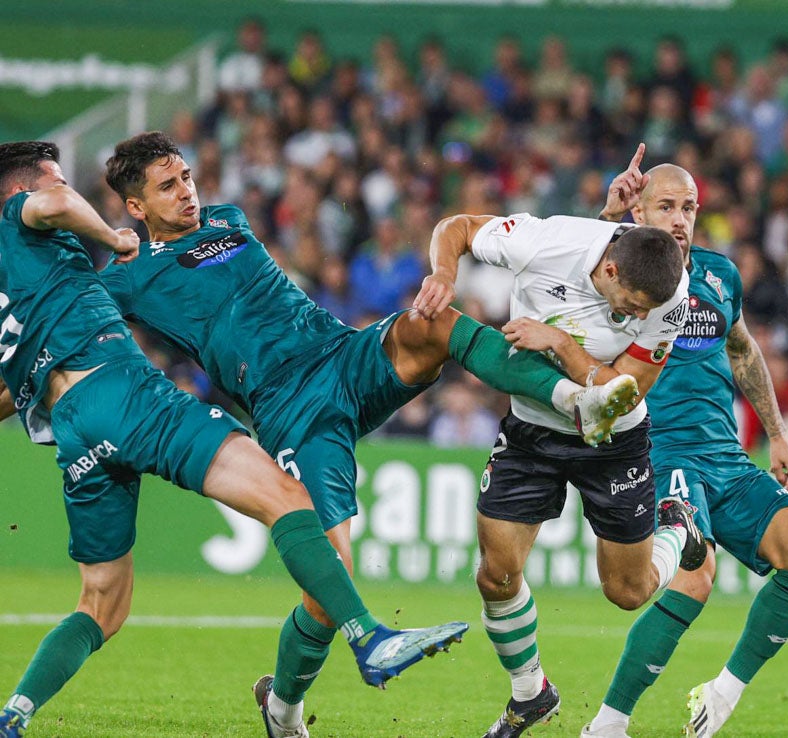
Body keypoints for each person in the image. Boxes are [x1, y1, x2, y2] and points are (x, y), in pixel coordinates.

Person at [97, 131, 640, 738]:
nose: (187, 193)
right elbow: (54, 340)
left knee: (431, 323)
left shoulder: (228, 217)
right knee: (330, 586)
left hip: (343, 355)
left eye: (188, 178)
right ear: (136, 207)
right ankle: (282, 709)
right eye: (167, 187)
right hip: (290, 408)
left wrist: (605, 223)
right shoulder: (125, 278)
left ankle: (577, 400)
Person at [0, 141, 467, 738]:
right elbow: (58, 199)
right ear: (22, 193)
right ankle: (370, 638)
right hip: (125, 395)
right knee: (289, 500)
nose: (62, 188)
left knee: (101, 605)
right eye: (51, 179)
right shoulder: (36, 222)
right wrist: (115, 239)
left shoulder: (21, 285)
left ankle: (15, 712)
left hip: (72, 433)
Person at [414, 204, 707, 738]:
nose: (641, 318)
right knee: (495, 575)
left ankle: (678, 528)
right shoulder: (547, 242)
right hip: (532, 432)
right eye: (633, 307)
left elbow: (624, 391)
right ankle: (531, 694)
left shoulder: (670, 293)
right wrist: (443, 274)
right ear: (611, 271)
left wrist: (561, 344)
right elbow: (453, 228)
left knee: (627, 592)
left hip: (614, 443)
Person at [578, 149, 788, 738]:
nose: (680, 219)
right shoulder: (613, 271)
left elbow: (742, 351)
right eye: (665, 206)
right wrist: (604, 215)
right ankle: (609, 723)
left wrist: (779, 433)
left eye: (688, 207)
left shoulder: (720, 275)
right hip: (659, 452)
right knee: (696, 571)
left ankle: (722, 691)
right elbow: (567, 284)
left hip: (727, 458)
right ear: (638, 212)